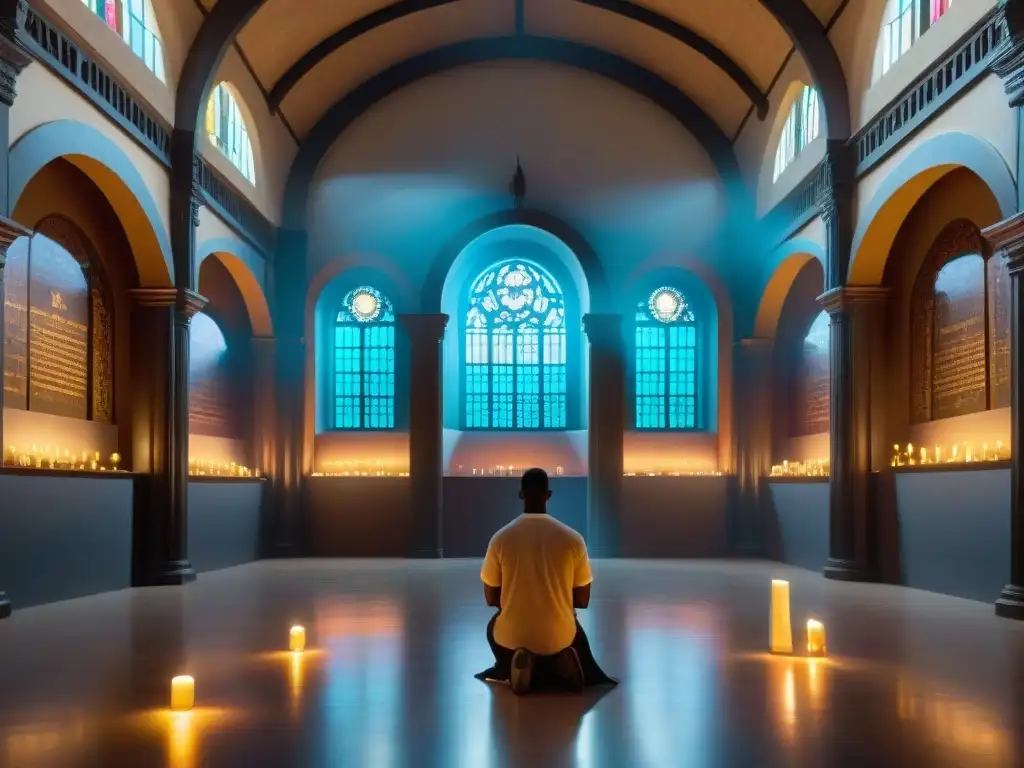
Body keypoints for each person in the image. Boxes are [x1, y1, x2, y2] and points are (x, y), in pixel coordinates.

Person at [477, 467, 616, 695]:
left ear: (521, 495)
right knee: (567, 632)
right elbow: (582, 599)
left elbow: (491, 597)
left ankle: (518, 665)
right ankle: (559, 662)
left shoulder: (500, 539)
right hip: (561, 632)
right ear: (548, 495)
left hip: (512, 632)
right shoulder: (573, 539)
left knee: (493, 627)